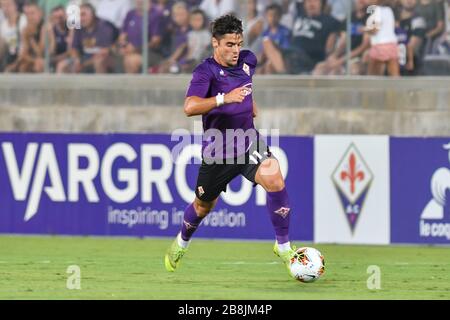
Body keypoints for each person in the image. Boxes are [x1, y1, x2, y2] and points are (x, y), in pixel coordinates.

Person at [164, 14, 295, 276]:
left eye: (238, 44)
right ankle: (181, 243)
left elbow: (246, 89)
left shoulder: (248, 61)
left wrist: (250, 104)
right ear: (215, 43)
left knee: (274, 176)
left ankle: (283, 246)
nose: (236, 50)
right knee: (203, 206)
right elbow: (190, 107)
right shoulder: (205, 71)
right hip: (218, 151)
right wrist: (224, 99)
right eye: (229, 45)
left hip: (248, 142)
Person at [365, 0, 400, 76]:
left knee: (372, 76)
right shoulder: (389, 10)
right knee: (394, 76)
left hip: (380, 46)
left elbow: (375, 30)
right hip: (392, 45)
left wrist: (364, 29)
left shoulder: (377, 10)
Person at [396, 0, 427, 75]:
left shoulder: (418, 20)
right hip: (392, 59)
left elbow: (412, 45)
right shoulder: (393, 17)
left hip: (411, 64)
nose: (409, 1)